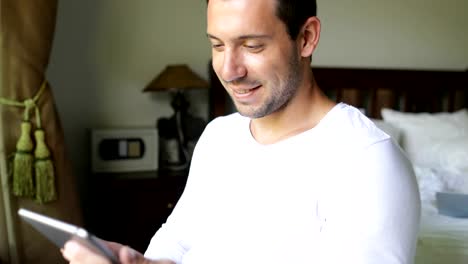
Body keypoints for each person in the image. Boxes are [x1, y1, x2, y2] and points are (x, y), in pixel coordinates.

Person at [62, 0, 421, 263]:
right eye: (217, 45)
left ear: (307, 37)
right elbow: (177, 242)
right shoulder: (219, 136)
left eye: (252, 45)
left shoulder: (365, 160)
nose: (229, 71)